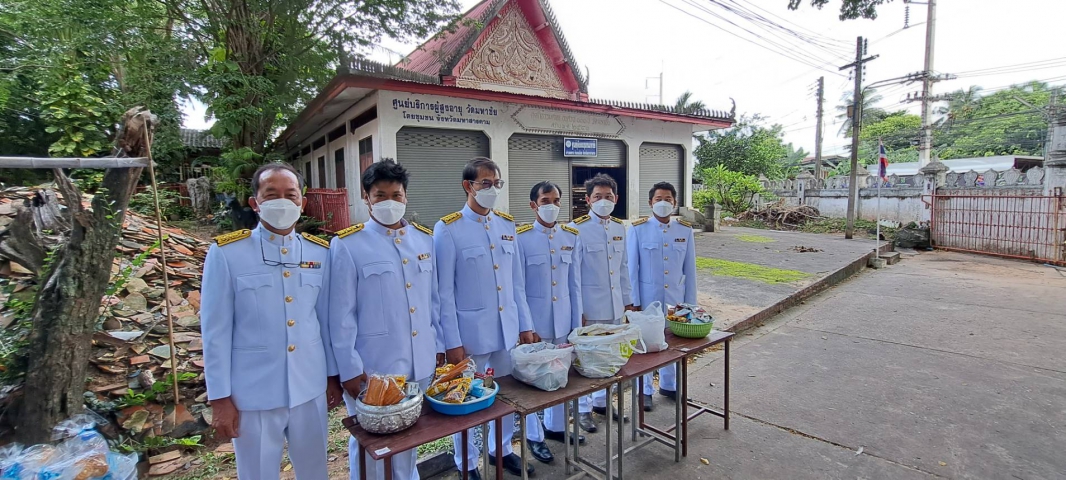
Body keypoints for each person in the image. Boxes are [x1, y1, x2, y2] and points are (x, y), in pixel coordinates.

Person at [201, 162, 342, 480]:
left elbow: (325, 321)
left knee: (315, 472)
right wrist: (220, 398)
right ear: (255, 203)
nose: (282, 201)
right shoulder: (227, 253)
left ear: (302, 203)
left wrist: (332, 376)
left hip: (309, 387)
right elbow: (215, 331)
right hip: (254, 393)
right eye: (271, 194)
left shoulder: (320, 253)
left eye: (290, 195)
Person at [329, 159, 444, 480]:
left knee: (410, 439)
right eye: (380, 195)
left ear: (406, 197)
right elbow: (340, 316)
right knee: (372, 450)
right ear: (366, 198)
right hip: (373, 369)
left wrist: (438, 346)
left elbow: (432, 302)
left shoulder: (423, 241)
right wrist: (350, 370)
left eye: (396, 195)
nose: (389, 202)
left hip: (419, 363)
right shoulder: (348, 245)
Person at [435, 157, 538, 479]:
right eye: (485, 184)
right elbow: (443, 293)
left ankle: (501, 449)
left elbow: (516, 283)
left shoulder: (507, 226)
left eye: (497, 183)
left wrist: (526, 325)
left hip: (507, 332)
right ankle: (466, 463)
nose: (492, 189)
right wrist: (451, 342)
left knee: (506, 397)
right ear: (468, 186)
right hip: (470, 336)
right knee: (465, 401)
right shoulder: (448, 228)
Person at [516, 181, 587, 461]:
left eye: (556, 200)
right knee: (533, 382)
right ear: (533, 205)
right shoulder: (520, 237)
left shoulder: (570, 235)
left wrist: (576, 323)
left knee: (562, 376)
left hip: (564, 321)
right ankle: (534, 436)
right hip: (536, 323)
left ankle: (556, 426)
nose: (552, 206)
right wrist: (525, 325)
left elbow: (575, 284)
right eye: (545, 201)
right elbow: (518, 287)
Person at [567, 173, 635, 433]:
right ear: (588, 200)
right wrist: (579, 310)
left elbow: (623, 269)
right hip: (590, 308)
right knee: (586, 360)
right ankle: (582, 409)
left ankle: (602, 402)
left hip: (616, 306)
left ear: (616, 199)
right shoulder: (577, 228)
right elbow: (574, 275)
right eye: (598, 197)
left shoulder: (619, 228)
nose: (603, 201)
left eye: (608, 196)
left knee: (609, 358)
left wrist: (628, 302)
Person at [626, 181, 697, 410]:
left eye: (668, 199)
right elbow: (631, 270)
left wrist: (691, 304)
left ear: (675, 203)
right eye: (659, 199)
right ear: (650, 203)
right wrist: (634, 302)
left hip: (676, 299)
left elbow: (690, 270)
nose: (663, 203)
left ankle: (669, 385)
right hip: (647, 299)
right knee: (646, 345)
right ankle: (644, 390)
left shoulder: (684, 230)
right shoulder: (638, 229)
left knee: (673, 343)